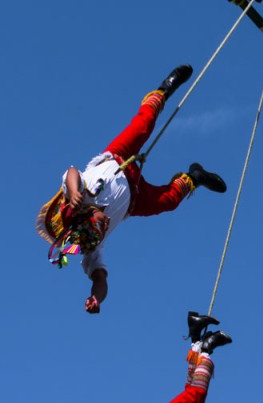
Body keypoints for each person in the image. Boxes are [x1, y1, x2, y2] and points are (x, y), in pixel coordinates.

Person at [36, 66, 227, 314]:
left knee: (144, 125)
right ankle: (194, 177)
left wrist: (73, 192)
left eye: (101, 223)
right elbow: (100, 278)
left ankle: (163, 89)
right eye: (104, 228)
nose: (106, 226)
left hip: (118, 157)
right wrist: (96, 299)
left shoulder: (81, 197)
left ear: (87, 215)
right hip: (135, 199)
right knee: (168, 201)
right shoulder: (91, 243)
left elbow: (71, 172)